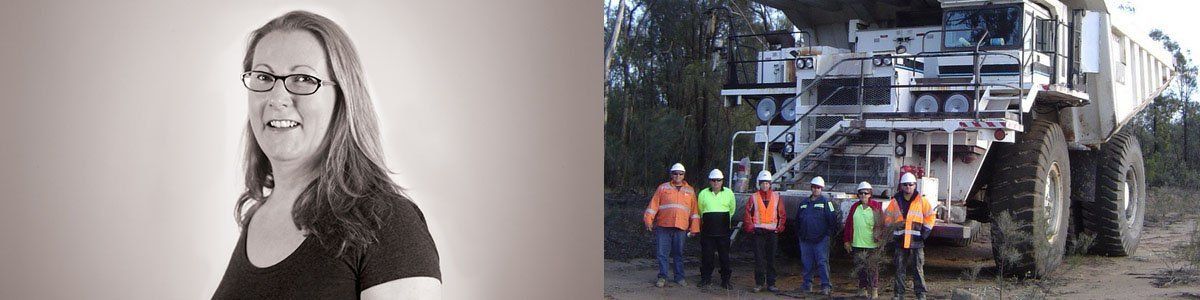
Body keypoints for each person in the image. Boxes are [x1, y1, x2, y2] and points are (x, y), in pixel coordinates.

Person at [213, 11, 441, 299]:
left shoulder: (389, 223)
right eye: (263, 76)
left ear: (343, 98)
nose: (277, 97)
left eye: (303, 79)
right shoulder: (257, 217)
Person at [644, 163, 700, 288]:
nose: (678, 176)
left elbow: (694, 211)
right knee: (662, 253)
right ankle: (663, 277)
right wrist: (648, 220)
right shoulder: (663, 188)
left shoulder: (690, 191)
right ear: (671, 174)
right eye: (675, 173)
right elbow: (653, 206)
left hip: (681, 227)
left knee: (678, 253)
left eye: (680, 173)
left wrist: (694, 228)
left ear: (684, 175)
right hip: (664, 226)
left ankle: (679, 277)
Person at [884, 173, 936, 300]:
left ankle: (920, 294)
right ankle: (899, 294)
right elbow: (887, 218)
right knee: (899, 269)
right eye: (905, 184)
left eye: (910, 184)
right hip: (900, 240)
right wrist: (892, 228)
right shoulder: (895, 201)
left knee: (918, 269)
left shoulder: (921, 200)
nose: (908, 187)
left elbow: (930, 216)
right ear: (901, 186)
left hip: (916, 241)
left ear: (915, 185)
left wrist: (925, 232)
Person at [742, 170, 786, 293]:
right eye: (763, 183)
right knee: (759, 259)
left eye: (767, 183)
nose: (765, 185)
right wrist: (751, 228)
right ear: (759, 184)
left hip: (772, 233)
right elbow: (747, 214)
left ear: (770, 184)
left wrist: (780, 228)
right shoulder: (754, 197)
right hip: (758, 233)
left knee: (771, 259)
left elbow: (782, 214)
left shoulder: (777, 197)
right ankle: (759, 283)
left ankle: (771, 283)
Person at [794, 176, 837, 295]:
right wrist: (800, 234)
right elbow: (797, 220)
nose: (815, 189)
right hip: (805, 239)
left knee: (822, 262)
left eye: (818, 187)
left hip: (821, 240)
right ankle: (807, 285)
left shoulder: (826, 202)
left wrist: (827, 235)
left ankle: (826, 286)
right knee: (806, 262)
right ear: (811, 188)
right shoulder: (803, 203)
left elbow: (832, 220)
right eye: (813, 187)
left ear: (821, 188)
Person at [843, 181, 885, 299]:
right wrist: (847, 240)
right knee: (860, 268)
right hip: (857, 243)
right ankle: (863, 289)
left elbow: (882, 224)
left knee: (872, 268)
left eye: (865, 193)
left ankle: (874, 290)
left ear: (870, 194)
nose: (863, 195)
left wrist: (881, 240)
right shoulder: (855, 207)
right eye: (860, 193)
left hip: (872, 244)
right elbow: (848, 225)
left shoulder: (876, 207)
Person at [697, 169, 735, 289]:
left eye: (718, 180)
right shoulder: (703, 193)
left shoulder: (729, 193)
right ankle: (706, 279)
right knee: (707, 256)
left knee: (724, 257)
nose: (716, 182)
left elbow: (732, 210)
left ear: (722, 181)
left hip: (723, 232)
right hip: (708, 232)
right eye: (713, 180)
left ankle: (725, 281)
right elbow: (700, 210)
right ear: (710, 181)